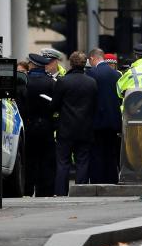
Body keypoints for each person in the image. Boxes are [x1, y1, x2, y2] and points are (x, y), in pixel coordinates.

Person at [54, 51, 97, 195]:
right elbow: (94, 105)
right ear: (85, 64)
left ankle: (61, 192)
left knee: (63, 162)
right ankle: (81, 191)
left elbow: (55, 105)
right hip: (85, 128)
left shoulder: (63, 81)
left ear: (71, 63)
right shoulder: (91, 82)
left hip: (66, 128)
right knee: (82, 161)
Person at [19, 52, 58, 196]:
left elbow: (21, 105)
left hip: (29, 126)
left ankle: (28, 190)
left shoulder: (26, 82)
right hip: (47, 126)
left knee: (29, 160)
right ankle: (45, 191)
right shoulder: (51, 82)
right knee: (47, 160)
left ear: (33, 64)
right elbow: (56, 105)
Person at [86, 48, 122, 183]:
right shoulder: (116, 75)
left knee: (96, 152)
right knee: (111, 152)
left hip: (96, 120)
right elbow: (120, 98)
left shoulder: (91, 73)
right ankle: (112, 179)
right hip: (113, 120)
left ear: (93, 59)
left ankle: (97, 179)